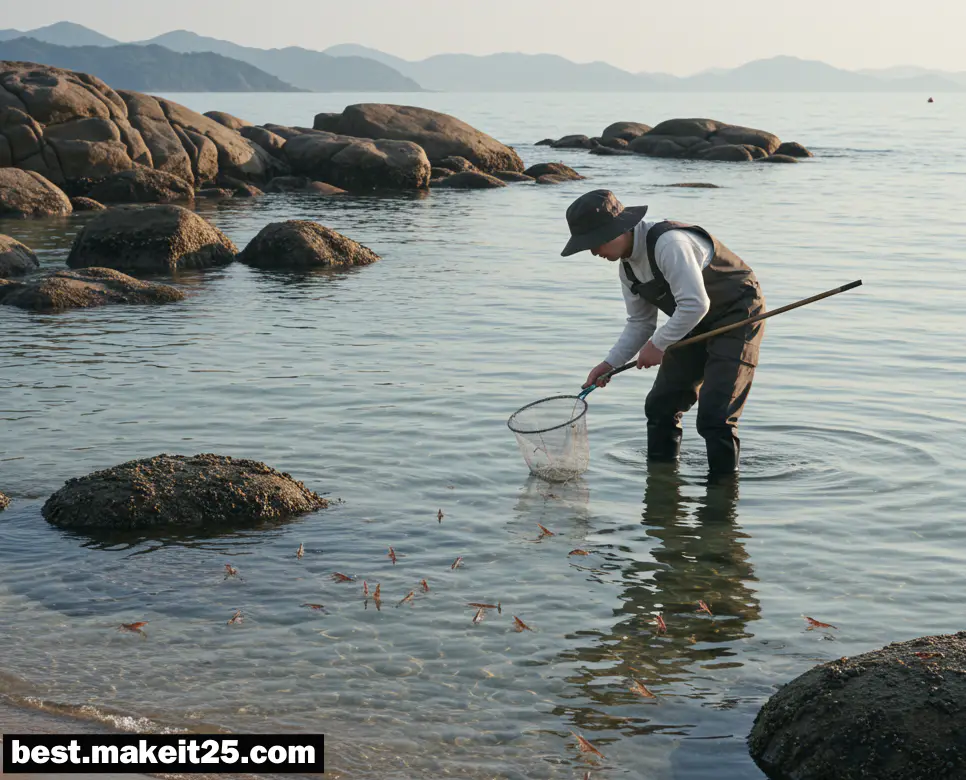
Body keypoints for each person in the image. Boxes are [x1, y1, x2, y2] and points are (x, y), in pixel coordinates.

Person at [561, 189, 765, 474]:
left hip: (737, 314)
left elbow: (696, 303)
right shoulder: (628, 269)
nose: (594, 252)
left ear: (619, 230)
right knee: (660, 407)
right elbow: (640, 323)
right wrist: (610, 363)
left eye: (595, 243)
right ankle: (661, 490)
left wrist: (658, 345)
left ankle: (721, 502)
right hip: (689, 321)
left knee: (715, 417)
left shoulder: (668, 243)